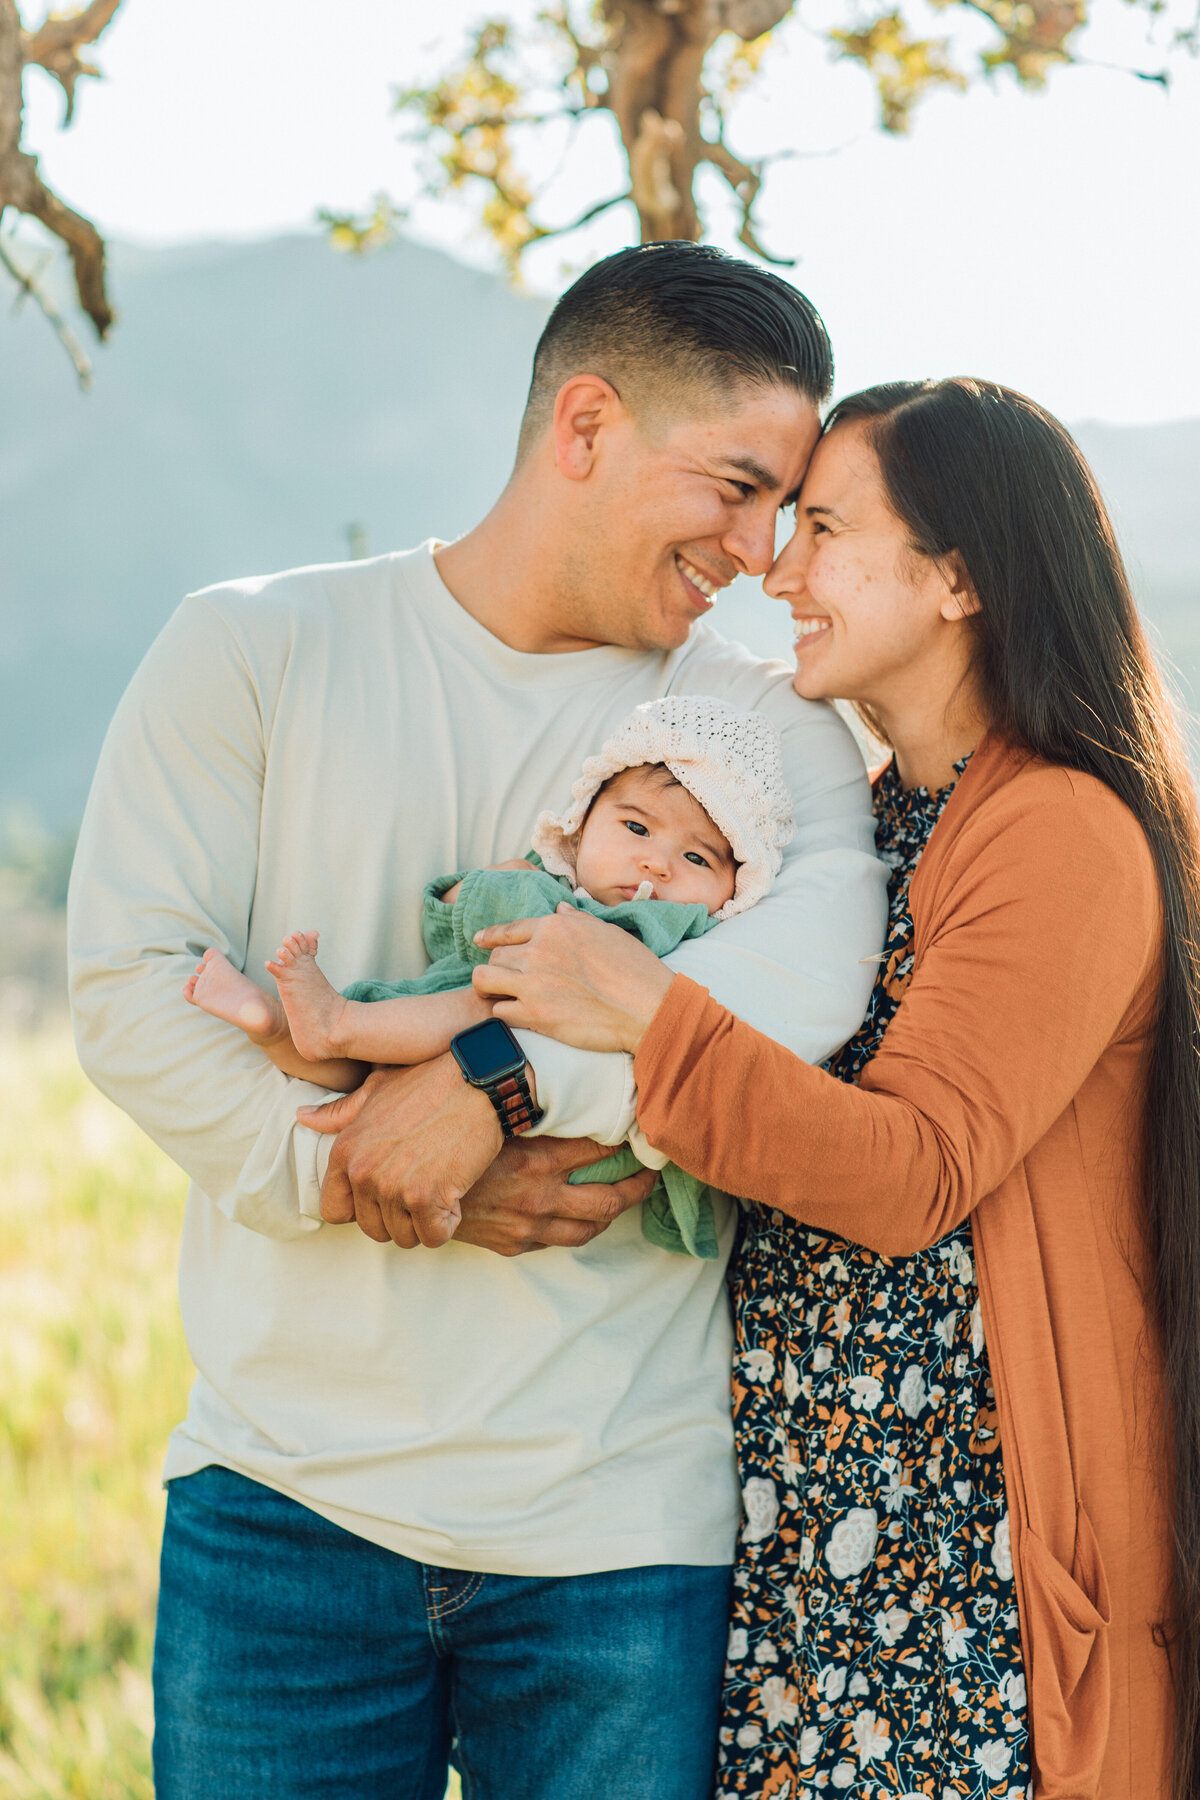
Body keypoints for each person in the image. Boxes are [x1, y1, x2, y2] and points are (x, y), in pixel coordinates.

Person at [67, 242, 888, 1799]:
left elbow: (804, 987)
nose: (762, 547)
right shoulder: (253, 649)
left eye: (785, 503)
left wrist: (495, 1084)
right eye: (733, 484)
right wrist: (359, 1174)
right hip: (284, 1510)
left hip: (620, 1545)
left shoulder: (770, 732)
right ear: (585, 426)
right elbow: (128, 987)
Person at [473, 378, 1200, 1798]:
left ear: (961, 579)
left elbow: (912, 1167)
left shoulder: (1059, 830)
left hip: (968, 1575)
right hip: (822, 1533)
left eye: (823, 529)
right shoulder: (865, 826)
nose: (779, 572)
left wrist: (650, 1017)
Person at [183, 694, 796, 1257]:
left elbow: (535, 945)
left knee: (484, 1004)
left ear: (732, 890)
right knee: (360, 1079)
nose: (655, 862)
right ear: (580, 830)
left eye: (696, 858)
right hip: (437, 1044)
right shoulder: (555, 885)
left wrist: (489, 892)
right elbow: (451, 933)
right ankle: (276, 1026)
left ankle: (336, 1021)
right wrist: (473, 894)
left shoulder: (669, 928)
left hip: (539, 1082)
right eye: (635, 828)